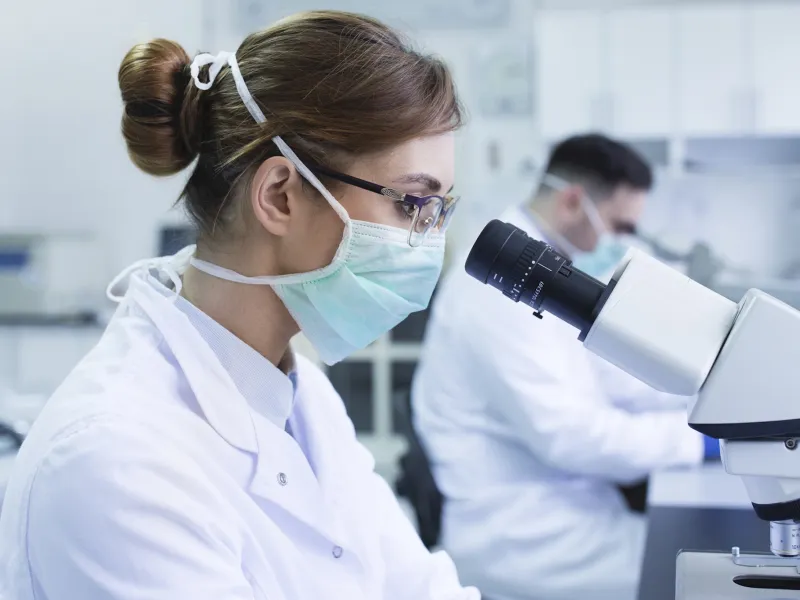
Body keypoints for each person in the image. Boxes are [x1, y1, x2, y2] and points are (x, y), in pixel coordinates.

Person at [0, 11, 479, 600]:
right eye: (411, 204)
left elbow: (420, 587)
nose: (429, 241)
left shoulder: (301, 397)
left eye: (439, 210)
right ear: (280, 196)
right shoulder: (117, 459)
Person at [412, 134, 720, 600]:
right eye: (620, 225)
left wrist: (708, 399)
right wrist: (697, 443)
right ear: (574, 202)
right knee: (704, 574)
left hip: (571, 509)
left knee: (703, 558)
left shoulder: (546, 271)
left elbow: (609, 380)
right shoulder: (498, 291)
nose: (622, 242)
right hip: (527, 537)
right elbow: (570, 436)